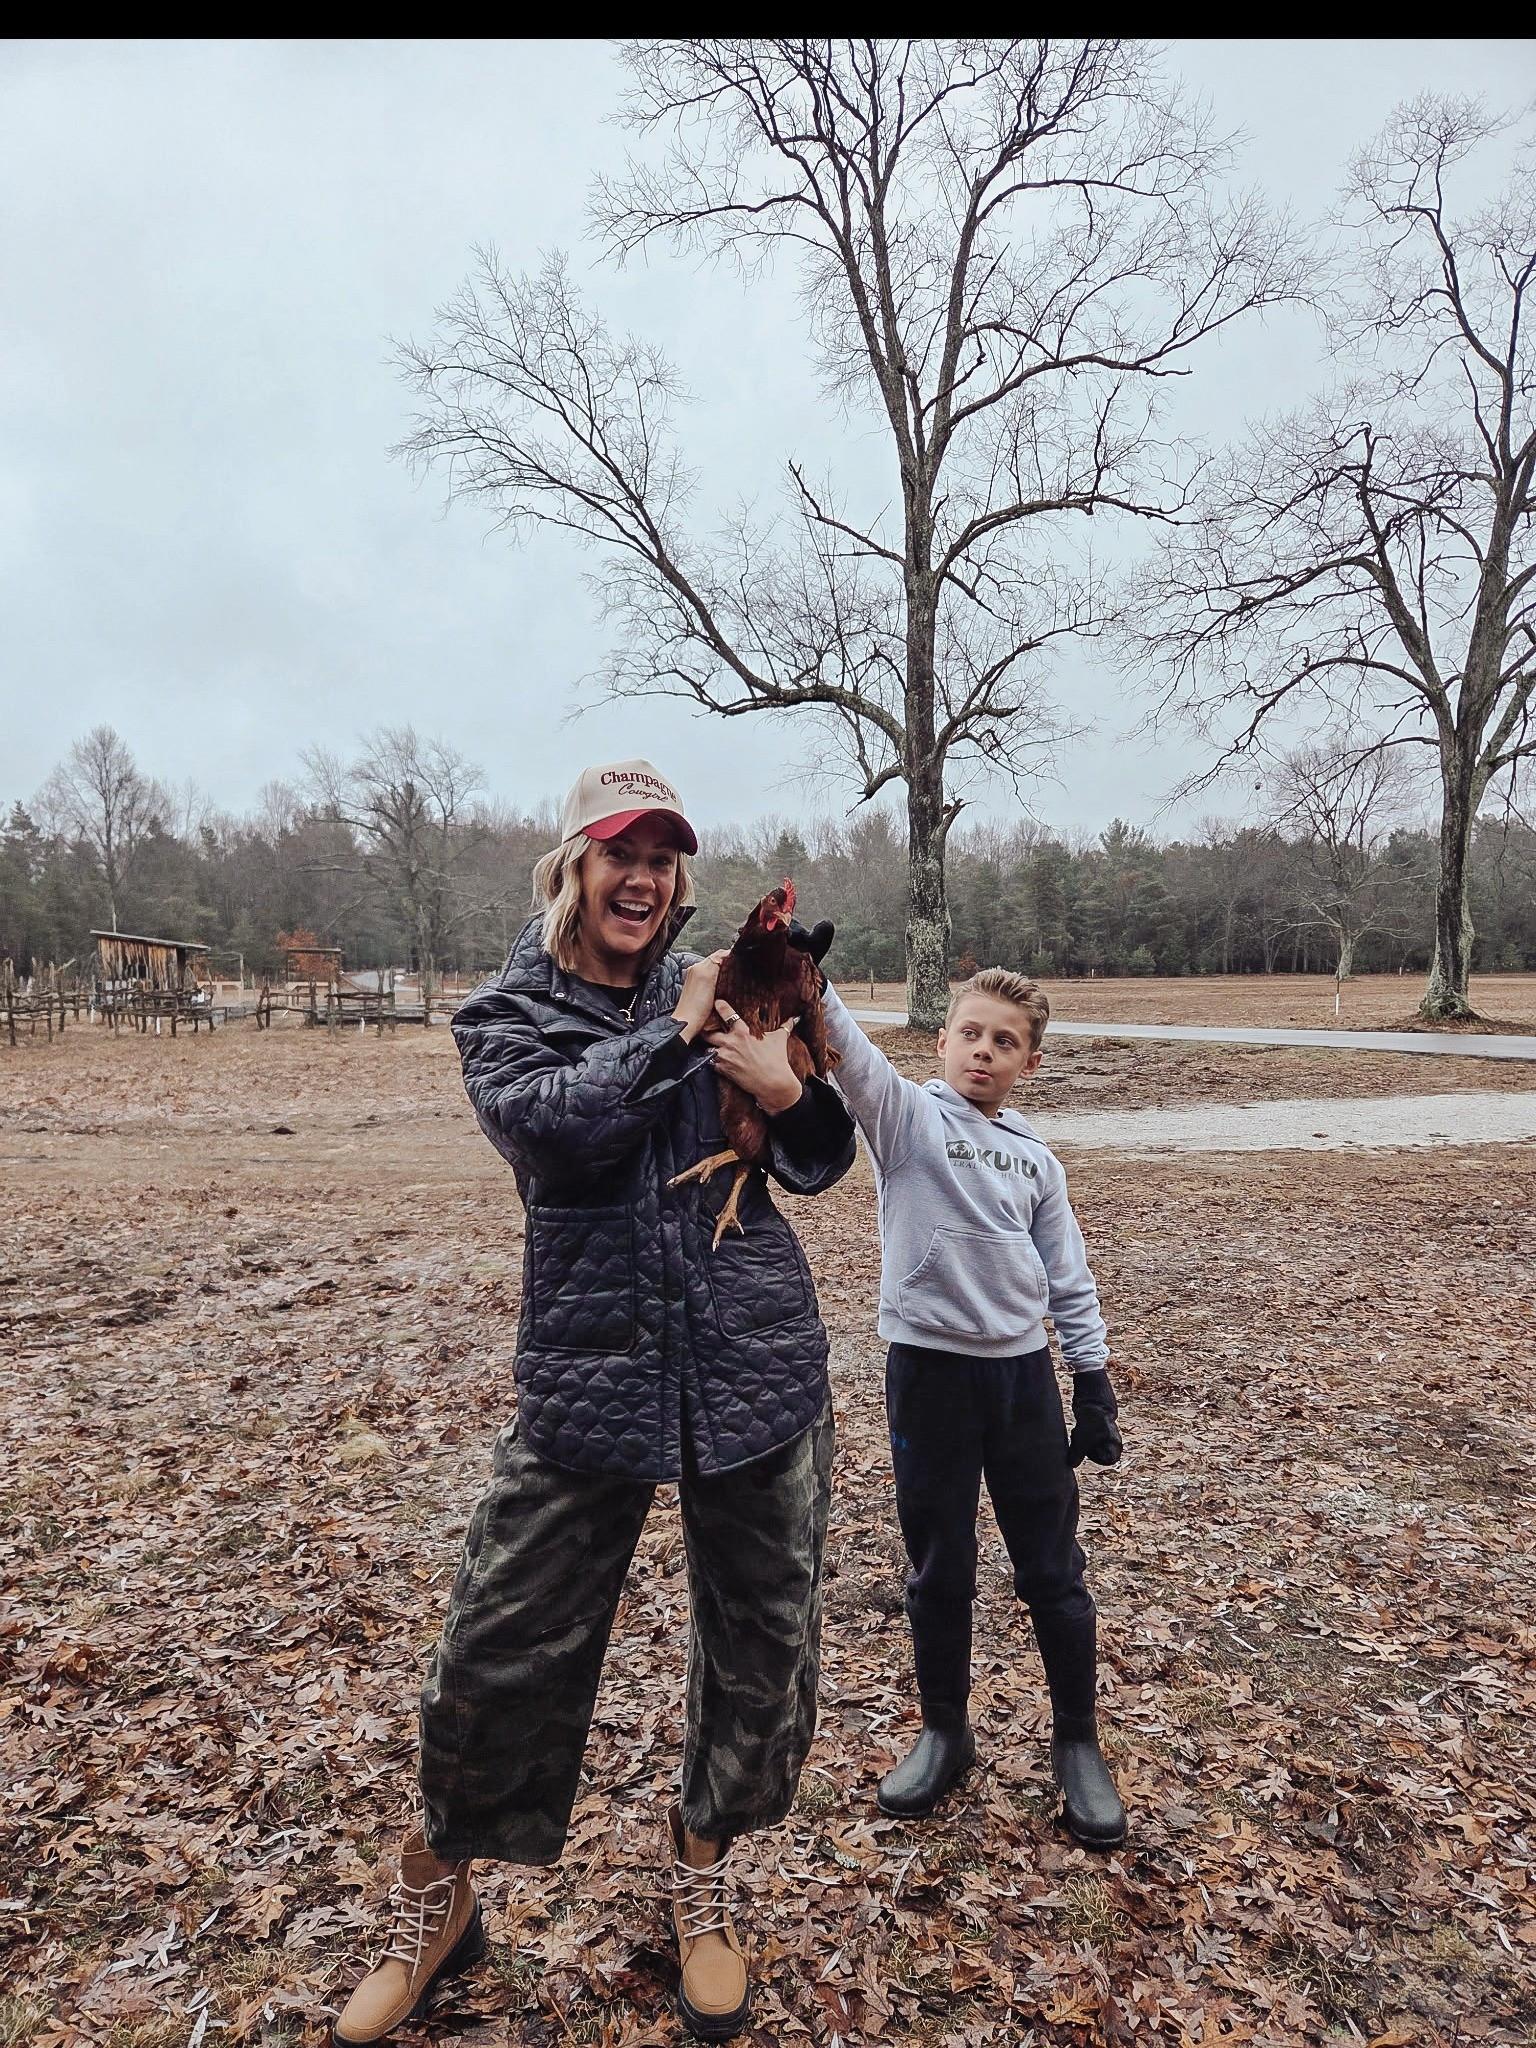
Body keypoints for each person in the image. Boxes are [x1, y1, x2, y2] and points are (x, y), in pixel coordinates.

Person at [333, 760, 856, 2047]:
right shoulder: (504, 1012)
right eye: (621, 853)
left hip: (754, 1354)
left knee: (764, 1640)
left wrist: (790, 1094)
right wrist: (673, 1031)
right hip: (591, 1365)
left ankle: (703, 1863)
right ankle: (439, 1891)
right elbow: (556, 1132)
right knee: (496, 1643)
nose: (645, 878)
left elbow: (825, 1155)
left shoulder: (735, 979)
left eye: (665, 857)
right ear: (571, 864)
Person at [819, 966, 1127, 1845]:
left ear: (1029, 1061)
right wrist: (812, 979)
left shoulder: (1036, 1159)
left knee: (1051, 1571)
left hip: (1022, 1381)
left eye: (1005, 1041)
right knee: (939, 1567)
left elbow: (1067, 1277)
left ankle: (1077, 1741)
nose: (983, 1051)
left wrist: (1092, 1380)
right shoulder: (907, 1122)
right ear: (943, 1039)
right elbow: (852, 1059)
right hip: (930, 1378)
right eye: (970, 1033)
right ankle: (945, 1730)